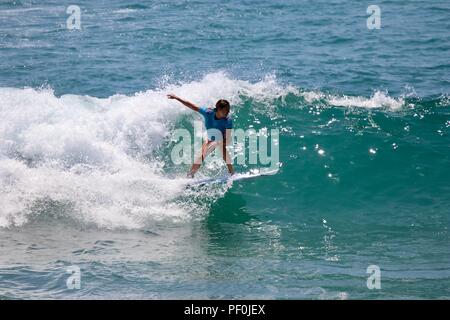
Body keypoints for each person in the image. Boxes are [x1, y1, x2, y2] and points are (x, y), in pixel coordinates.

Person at [167, 94, 234, 177]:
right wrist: (177, 98)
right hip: (210, 138)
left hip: (222, 138)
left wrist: (220, 142)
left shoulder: (228, 120)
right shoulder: (208, 113)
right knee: (201, 156)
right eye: (225, 110)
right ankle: (190, 175)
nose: (228, 112)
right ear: (218, 109)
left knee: (221, 146)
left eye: (228, 110)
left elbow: (227, 138)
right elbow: (192, 106)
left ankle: (231, 172)